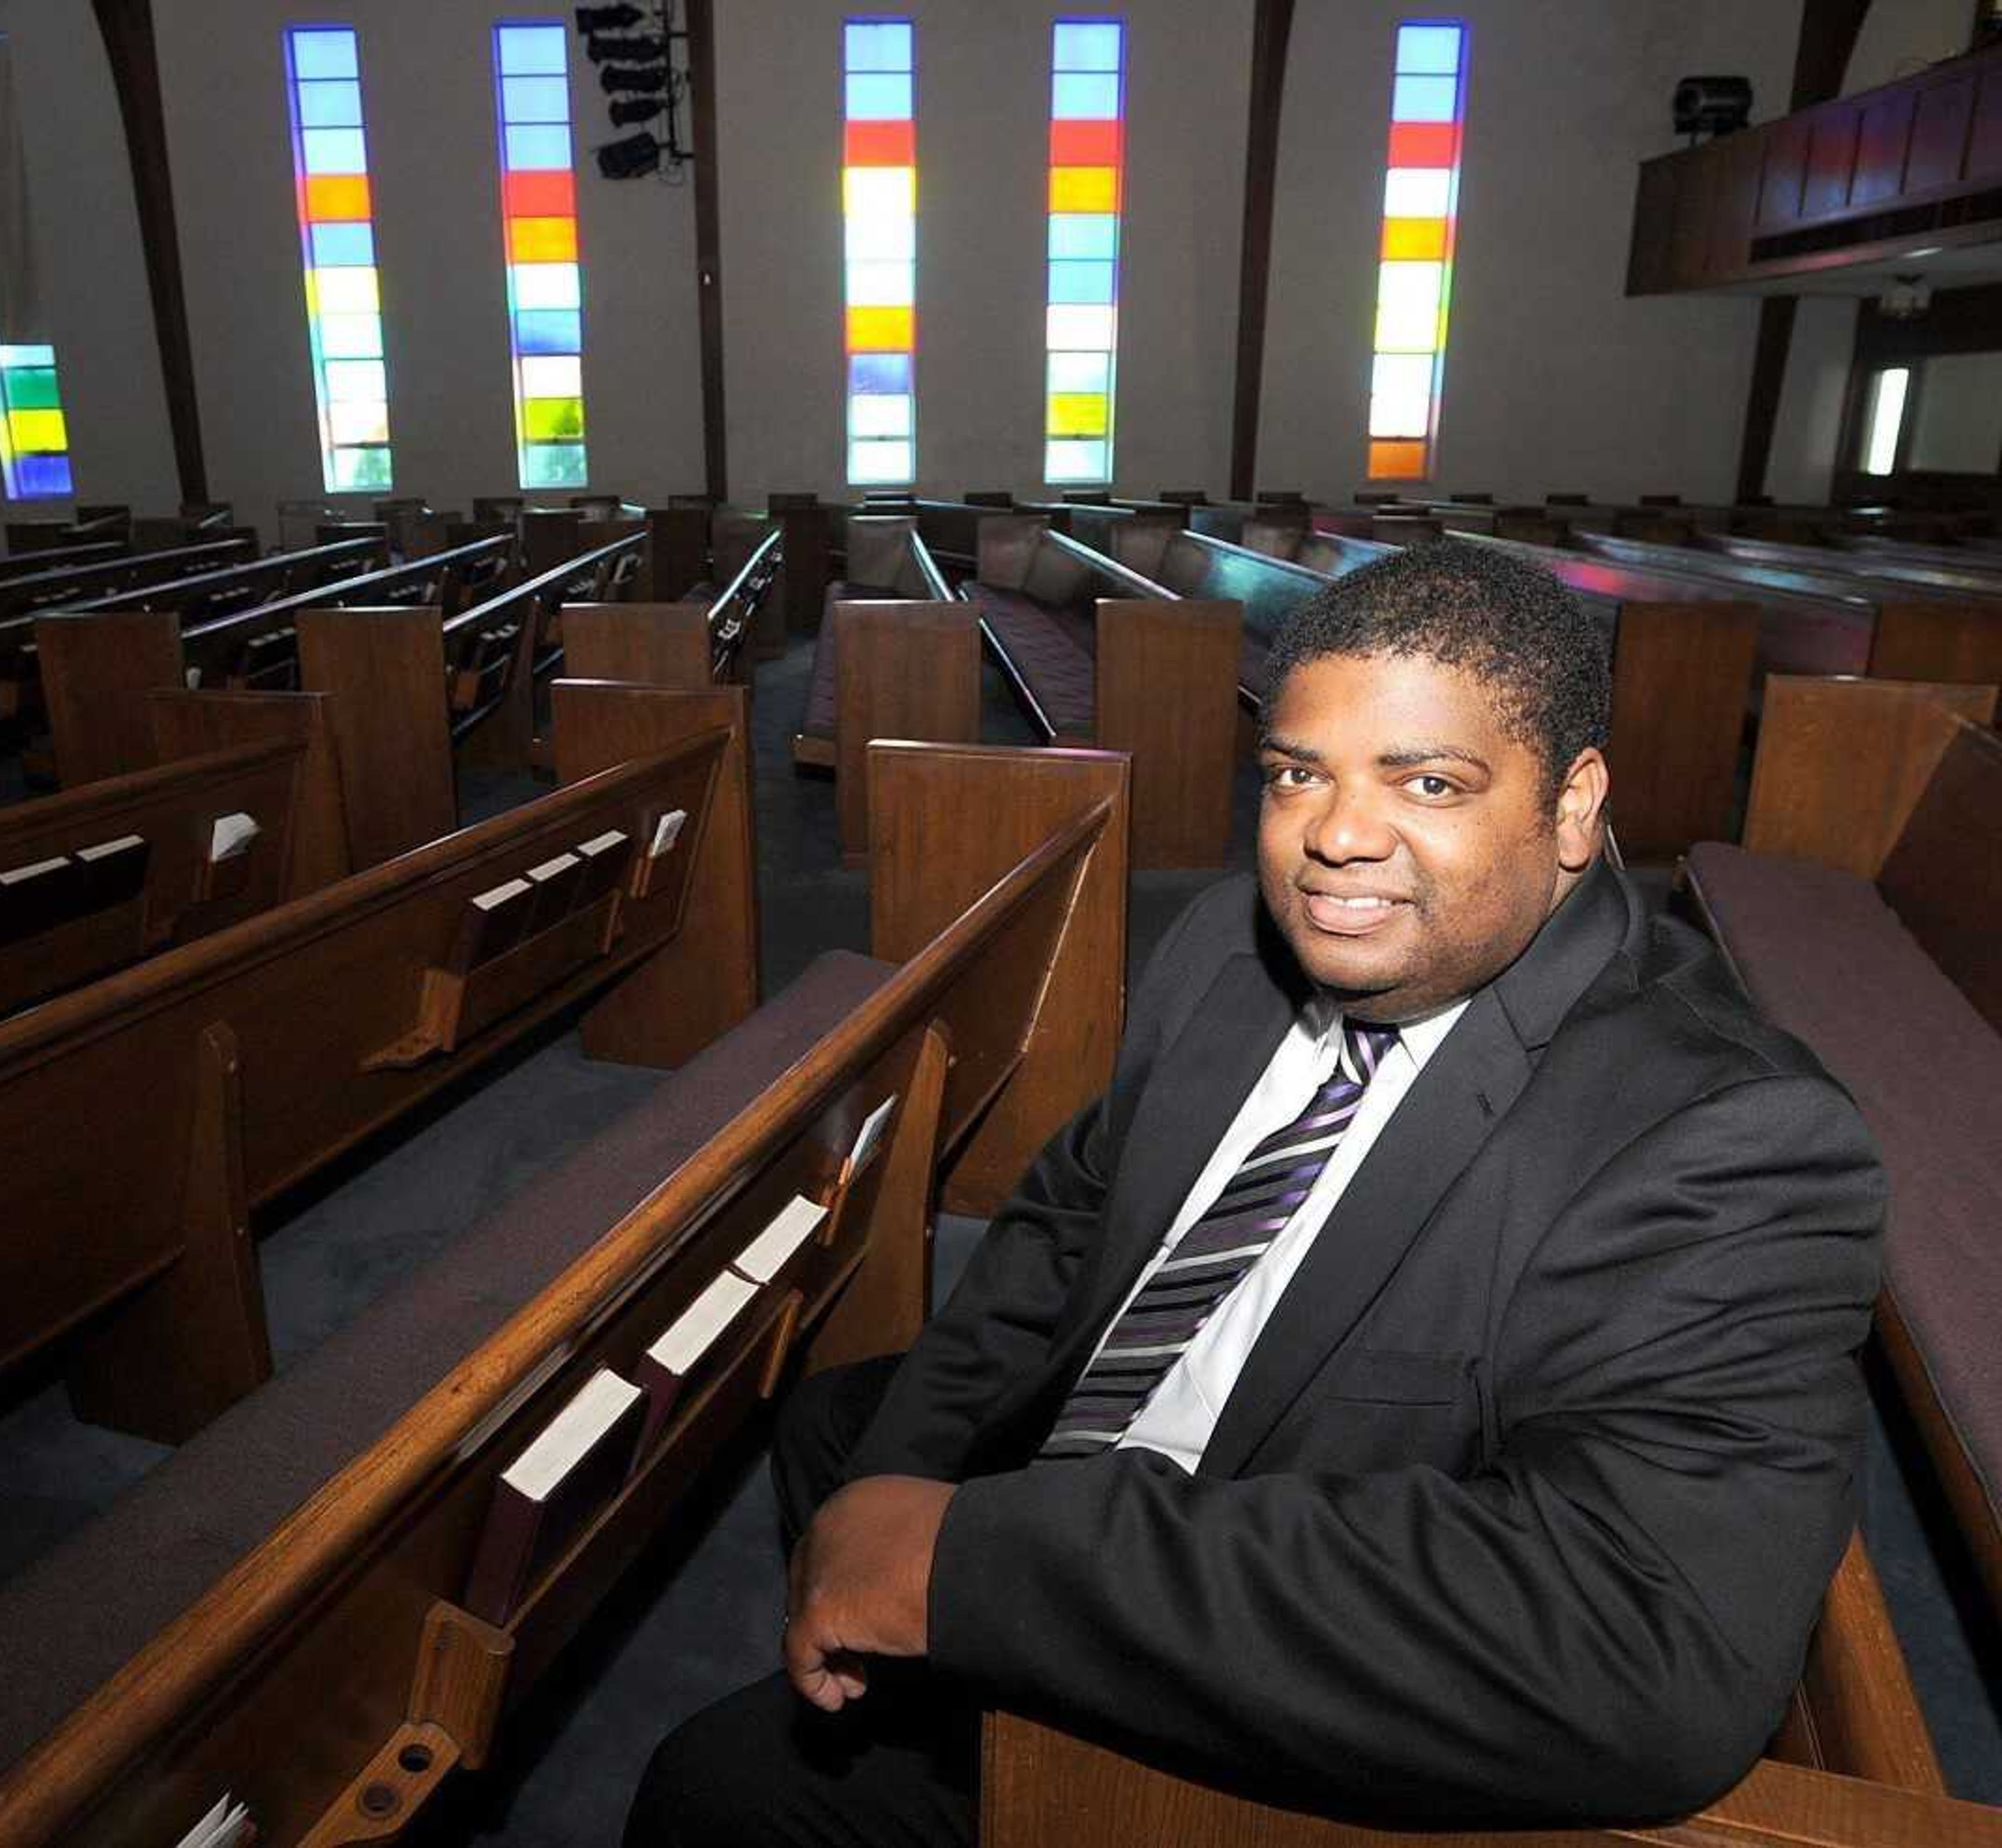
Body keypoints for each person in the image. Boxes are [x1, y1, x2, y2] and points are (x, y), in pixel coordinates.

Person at [625, 540, 1885, 1847]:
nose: (1335, 836)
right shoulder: (1232, 948)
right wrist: (901, 1495)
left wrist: (974, 1571)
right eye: (1298, 774)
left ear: (1573, 808)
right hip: (1123, 1466)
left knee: (713, 1794)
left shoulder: (1726, 1138)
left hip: (1256, 1643)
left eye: (1431, 782)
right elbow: (1068, 1222)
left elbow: (1638, 1647)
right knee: (833, 1424)